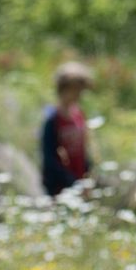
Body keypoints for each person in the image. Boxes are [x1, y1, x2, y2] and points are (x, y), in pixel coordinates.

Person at [41, 61, 94, 197]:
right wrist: (71, 182)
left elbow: (84, 149)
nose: (79, 94)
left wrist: (87, 176)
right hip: (60, 187)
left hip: (79, 182)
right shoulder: (53, 120)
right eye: (76, 89)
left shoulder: (79, 114)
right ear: (64, 89)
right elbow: (49, 158)